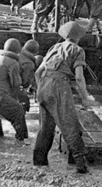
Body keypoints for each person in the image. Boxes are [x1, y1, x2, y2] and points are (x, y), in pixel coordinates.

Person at [32, 21, 95, 173]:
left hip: (44, 85)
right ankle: (81, 165)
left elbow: (38, 72)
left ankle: (39, 163)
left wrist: (39, 89)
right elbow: (79, 78)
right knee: (70, 124)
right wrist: (85, 99)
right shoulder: (77, 50)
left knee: (45, 128)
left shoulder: (54, 47)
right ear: (79, 36)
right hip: (59, 86)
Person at [17, 39, 39, 112]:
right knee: (24, 103)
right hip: (10, 88)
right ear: (35, 52)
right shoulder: (29, 64)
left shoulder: (17, 54)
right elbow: (25, 83)